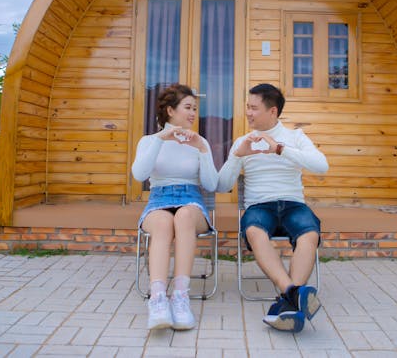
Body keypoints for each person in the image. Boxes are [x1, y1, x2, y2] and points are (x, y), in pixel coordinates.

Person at [216, 83, 328, 332]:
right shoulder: (242, 142)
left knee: (309, 232)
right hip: (259, 206)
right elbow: (222, 186)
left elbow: (322, 166)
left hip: (293, 204)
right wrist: (237, 155)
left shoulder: (295, 137)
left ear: (273, 111)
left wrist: (279, 149)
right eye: (248, 107)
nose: (248, 113)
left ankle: (288, 303)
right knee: (254, 230)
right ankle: (293, 294)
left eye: (253, 108)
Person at [131, 83, 219, 331]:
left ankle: (180, 296)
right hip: (158, 199)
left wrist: (202, 149)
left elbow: (212, 184)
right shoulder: (149, 141)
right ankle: (158, 299)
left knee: (182, 217)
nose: (193, 113)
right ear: (170, 110)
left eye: (195, 108)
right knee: (162, 223)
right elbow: (139, 174)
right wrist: (161, 139)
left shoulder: (199, 141)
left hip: (191, 200)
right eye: (188, 107)